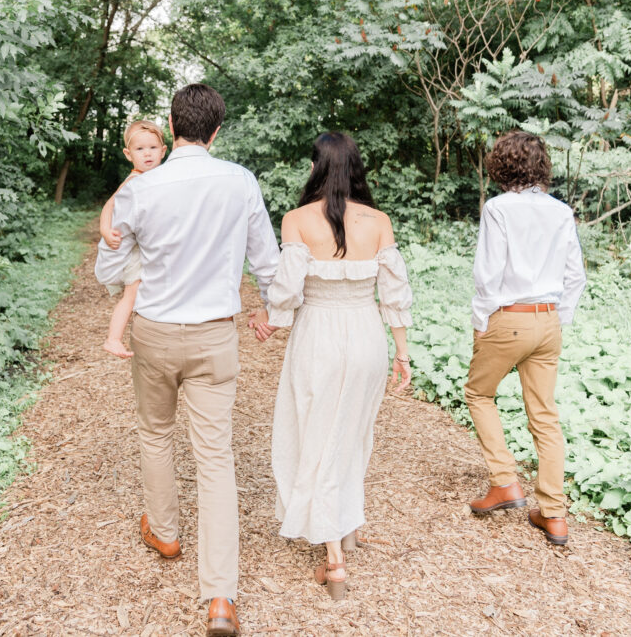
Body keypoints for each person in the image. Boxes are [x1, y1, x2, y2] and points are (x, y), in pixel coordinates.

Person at [94, 84, 279, 637]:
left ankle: (167, 532)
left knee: (155, 432)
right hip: (215, 335)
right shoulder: (240, 182)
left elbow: (110, 270)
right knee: (215, 455)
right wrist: (274, 311)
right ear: (216, 130)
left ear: (172, 126)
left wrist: (121, 250)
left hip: (153, 331)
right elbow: (265, 263)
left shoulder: (144, 187)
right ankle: (220, 597)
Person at [251, 132, 413, 600]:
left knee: (316, 435)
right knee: (352, 434)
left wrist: (268, 321)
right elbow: (395, 295)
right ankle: (345, 527)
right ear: (357, 166)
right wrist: (401, 352)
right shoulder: (379, 221)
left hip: (317, 336)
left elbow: (286, 293)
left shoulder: (297, 220)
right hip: (366, 336)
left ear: (316, 167)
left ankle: (335, 560)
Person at [464, 130, 586, 546]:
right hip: (548, 321)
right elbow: (575, 276)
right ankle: (553, 514)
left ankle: (505, 483)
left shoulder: (499, 208)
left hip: (507, 318)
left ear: (501, 165)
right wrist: (557, 318)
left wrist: (482, 318)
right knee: (545, 417)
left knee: (479, 394)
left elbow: (489, 273)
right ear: (542, 167)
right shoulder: (560, 211)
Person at [99, 120, 168, 358]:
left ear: (163, 151)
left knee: (141, 292)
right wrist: (105, 231)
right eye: (140, 149)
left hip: (140, 246)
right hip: (131, 251)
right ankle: (113, 339)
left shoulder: (154, 178)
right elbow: (109, 205)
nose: (147, 154)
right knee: (132, 293)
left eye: (152, 148)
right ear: (128, 154)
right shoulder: (134, 180)